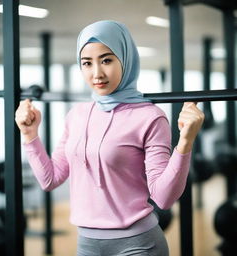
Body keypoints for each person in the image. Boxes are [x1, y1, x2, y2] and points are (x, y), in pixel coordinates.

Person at [15, 20, 204, 256]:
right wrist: (29, 135)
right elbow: (50, 179)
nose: (97, 73)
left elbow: (164, 199)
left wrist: (185, 142)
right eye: (87, 63)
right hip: (86, 243)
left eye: (106, 60)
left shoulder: (150, 117)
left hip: (138, 244)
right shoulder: (76, 115)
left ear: (125, 59)